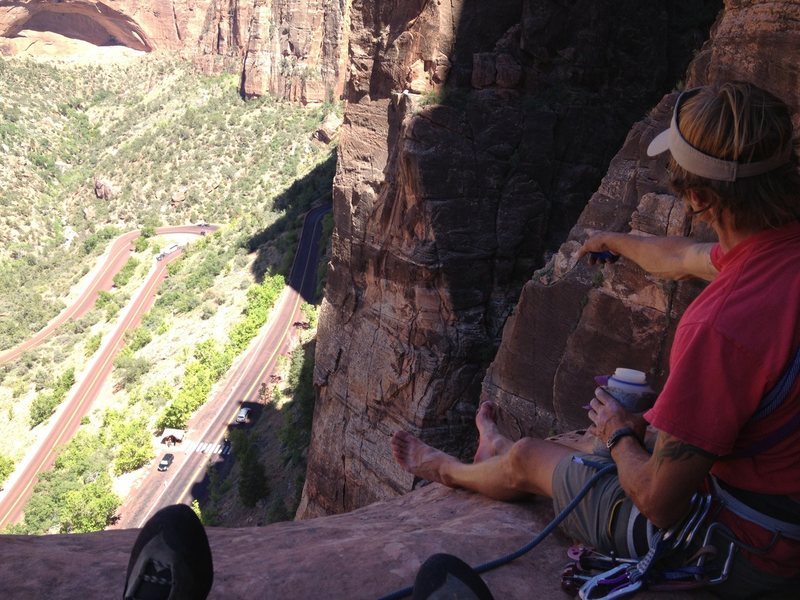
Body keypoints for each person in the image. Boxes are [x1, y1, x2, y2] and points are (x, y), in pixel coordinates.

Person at [391, 81, 800, 598]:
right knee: (614, 438)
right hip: (779, 504)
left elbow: (657, 501)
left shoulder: (721, 324)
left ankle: (448, 468)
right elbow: (683, 257)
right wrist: (616, 243)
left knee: (534, 457)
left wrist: (618, 432)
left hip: (746, 549)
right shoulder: (777, 256)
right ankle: (494, 450)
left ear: (699, 197)